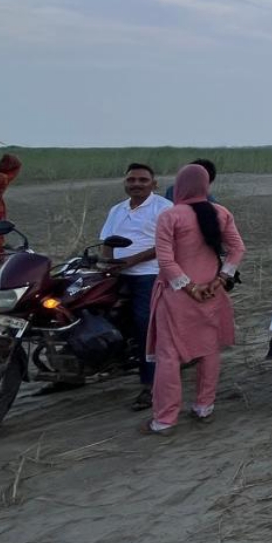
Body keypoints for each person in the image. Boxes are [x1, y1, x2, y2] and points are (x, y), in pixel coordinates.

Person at [140, 164, 246, 435]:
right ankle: (204, 406)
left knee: (168, 356)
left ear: (179, 186)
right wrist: (221, 279)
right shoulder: (221, 213)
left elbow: (165, 258)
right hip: (213, 294)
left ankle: (164, 419)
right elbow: (237, 249)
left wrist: (188, 287)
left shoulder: (170, 215)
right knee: (209, 351)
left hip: (178, 296)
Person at [102, 163, 174, 409]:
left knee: (145, 326)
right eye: (131, 180)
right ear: (125, 183)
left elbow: (166, 246)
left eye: (143, 180)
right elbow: (107, 242)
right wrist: (106, 263)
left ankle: (150, 384)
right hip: (116, 273)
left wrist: (131, 260)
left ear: (153, 184)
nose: (136, 184)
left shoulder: (164, 208)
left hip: (150, 274)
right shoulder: (117, 210)